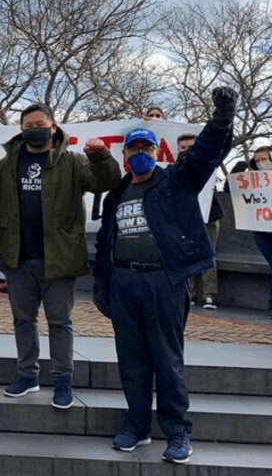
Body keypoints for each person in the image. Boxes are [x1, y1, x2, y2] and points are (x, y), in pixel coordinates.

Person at [94, 87, 237, 464]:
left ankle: (177, 432)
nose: (139, 155)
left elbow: (205, 152)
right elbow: (105, 243)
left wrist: (222, 116)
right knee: (132, 361)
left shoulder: (176, 182)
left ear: (157, 154)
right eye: (133, 149)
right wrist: (102, 288)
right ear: (123, 155)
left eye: (146, 149)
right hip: (124, 284)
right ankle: (137, 427)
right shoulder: (116, 194)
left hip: (164, 282)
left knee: (167, 361)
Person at [0, 104, 120, 407]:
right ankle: (27, 375)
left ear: (53, 127)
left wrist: (101, 156)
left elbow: (108, 182)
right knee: (22, 320)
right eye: (28, 123)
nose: (33, 127)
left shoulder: (74, 162)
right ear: (21, 128)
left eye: (40, 123)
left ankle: (63, 380)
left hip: (59, 258)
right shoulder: (6, 163)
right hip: (18, 258)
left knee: (60, 322)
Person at [177, 133, 225, 310]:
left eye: (191, 148)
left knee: (208, 253)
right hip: (186, 217)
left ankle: (209, 295)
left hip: (209, 215)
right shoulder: (175, 168)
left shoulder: (208, 161)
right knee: (187, 254)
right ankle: (188, 292)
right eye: (183, 148)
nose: (187, 152)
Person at [228, 145, 272, 319]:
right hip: (262, 231)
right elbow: (229, 189)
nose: (261, 163)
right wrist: (238, 170)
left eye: (264, 159)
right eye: (258, 160)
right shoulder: (251, 179)